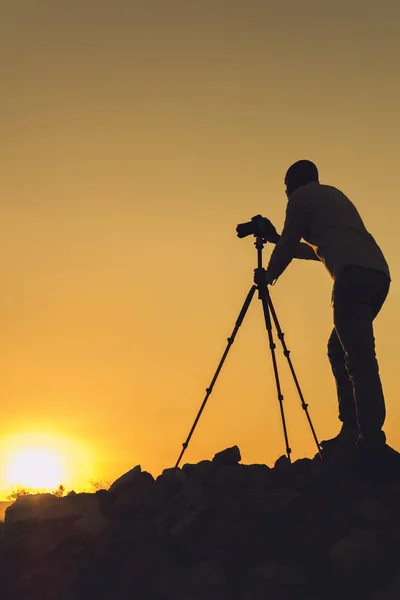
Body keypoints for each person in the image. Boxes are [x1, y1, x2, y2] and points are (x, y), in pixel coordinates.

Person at [255, 160, 392, 463]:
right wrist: (278, 241)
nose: (287, 195)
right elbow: (312, 250)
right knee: (340, 349)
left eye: (286, 189)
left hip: (352, 278)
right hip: (377, 277)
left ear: (293, 184)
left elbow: (291, 244)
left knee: (359, 359)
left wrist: (267, 276)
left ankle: (367, 437)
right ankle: (355, 428)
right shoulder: (332, 198)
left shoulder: (301, 199)